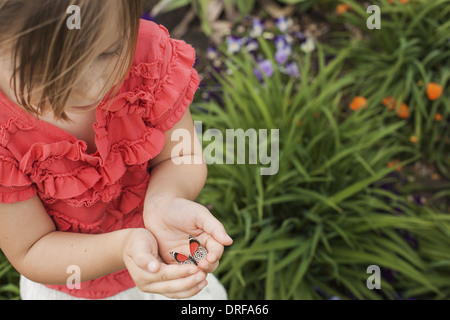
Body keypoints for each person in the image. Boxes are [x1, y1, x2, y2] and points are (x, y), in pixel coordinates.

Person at [0, 0, 233, 300]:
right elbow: (31, 248)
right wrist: (124, 248)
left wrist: (165, 200)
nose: (91, 87)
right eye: (47, 73)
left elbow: (180, 156)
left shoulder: (146, 59)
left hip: (165, 255)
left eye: (109, 52)